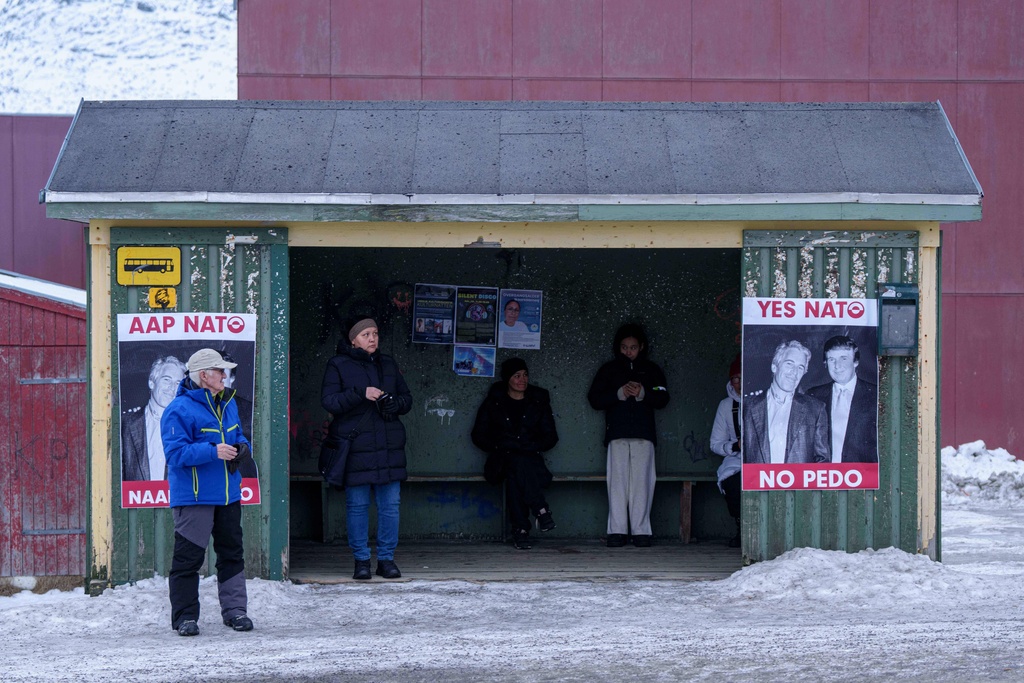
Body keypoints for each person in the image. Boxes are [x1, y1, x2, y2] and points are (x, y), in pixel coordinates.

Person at [161, 348, 254, 637]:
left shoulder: (229, 404)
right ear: (204, 376)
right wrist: (213, 452)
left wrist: (241, 449)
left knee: (232, 555)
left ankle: (236, 612)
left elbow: (240, 438)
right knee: (188, 560)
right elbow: (175, 454)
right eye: (220, 371)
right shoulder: (177, 410)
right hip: (195, 499)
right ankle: (185, 618)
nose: (225, 376)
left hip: (229, 496)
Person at [321, 318, 412, 580]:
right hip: (356, 447)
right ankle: (361, 560)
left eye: (374, 333)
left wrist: (395, 403)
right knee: (357, 505)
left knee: (390, 506)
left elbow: (407, 399)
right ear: (353, 339)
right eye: (365, 334)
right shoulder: (338, 364)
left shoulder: (388, 363)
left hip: (389, 446)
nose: (372, 338)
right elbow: (329, 401)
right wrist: (361, 393)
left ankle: (386, 560)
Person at [587, 323, 670, 548]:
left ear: (641, 346)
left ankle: (641, 531)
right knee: (618, 483)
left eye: (633, 347)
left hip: (644, 434)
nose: (628, 351)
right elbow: (594, 398)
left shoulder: (651, 369)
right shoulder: (609, 369)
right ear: (618, 347)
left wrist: (644, 393)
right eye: (624, 347)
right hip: (618, 433)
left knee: (642, 483)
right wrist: (618, 393)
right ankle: (617, 531)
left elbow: (662, 396)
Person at [471, 357, 559, 550]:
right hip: (500, 460)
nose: (522, 379)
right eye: (517, 375)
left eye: (525, 375)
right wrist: (500, 445)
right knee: (514, 461)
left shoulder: (538, 401)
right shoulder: (495, 402)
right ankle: (541, 510)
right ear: (507, 379)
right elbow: (478, 435)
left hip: (529, 459)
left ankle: (521, 531)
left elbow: (551, 436)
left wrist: (530, 445)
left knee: (515, 473)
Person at [743, 340, 829, 465]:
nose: (794, 372)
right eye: (789, 364)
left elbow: (823, 461)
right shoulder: (747, 406)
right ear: (774, 366)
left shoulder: (816, 409)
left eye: (801, 367)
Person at [806, 336, 879, 463]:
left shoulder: (876, 395)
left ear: (855, 362)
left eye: (843, 359)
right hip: (823, 478)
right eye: (831, 359)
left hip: (863, 478)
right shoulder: (813, 396)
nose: (837, 366)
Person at [121, 355, 186, 481]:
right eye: (166, 380)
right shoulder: (125, 424)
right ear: (152, 383)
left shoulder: (188, 428)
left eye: (178, 383)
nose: (172, 387)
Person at [710, 355, 743, 548]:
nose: (739, 383)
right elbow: (715, 443)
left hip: (766, 460)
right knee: (732, 482)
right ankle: (742, 527)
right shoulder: (726, 405)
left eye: (743, 377)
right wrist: (734, 446)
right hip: (737, 459)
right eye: (735, 379)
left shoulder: (766, 399)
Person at [220, 351, 258, 478]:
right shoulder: (191, 407)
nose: (217, 378)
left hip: (242, 481)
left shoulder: (249, 410)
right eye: (212, 372)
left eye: (222, 372)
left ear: (232, 378)